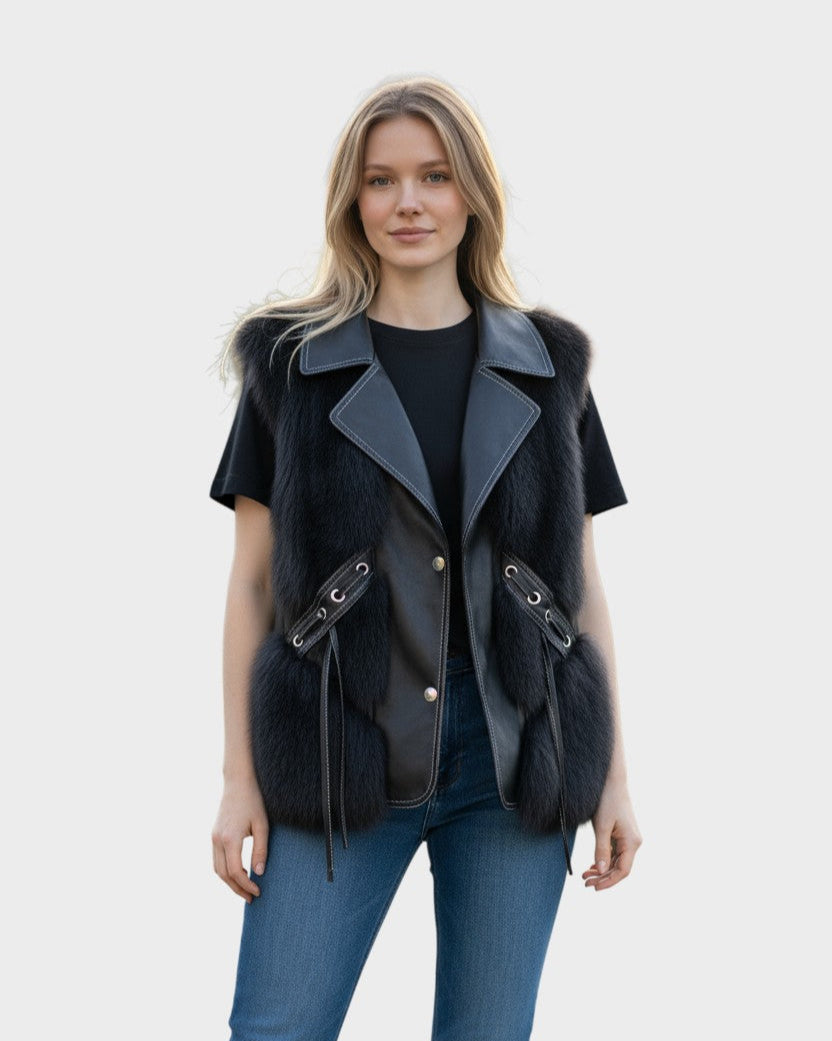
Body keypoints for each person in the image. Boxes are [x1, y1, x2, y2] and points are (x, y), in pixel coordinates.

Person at [209, 75, 642, 1041]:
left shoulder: (551, 365)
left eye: (435, 176)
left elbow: (581, 589)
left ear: (472, 195)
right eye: (382, 180)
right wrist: (240, 778)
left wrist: (613, 774)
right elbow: (251, 584)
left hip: (517, 755)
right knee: (276, 1026)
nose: (408, 202)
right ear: (353, 201)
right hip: (334, 747)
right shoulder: (291, 364)